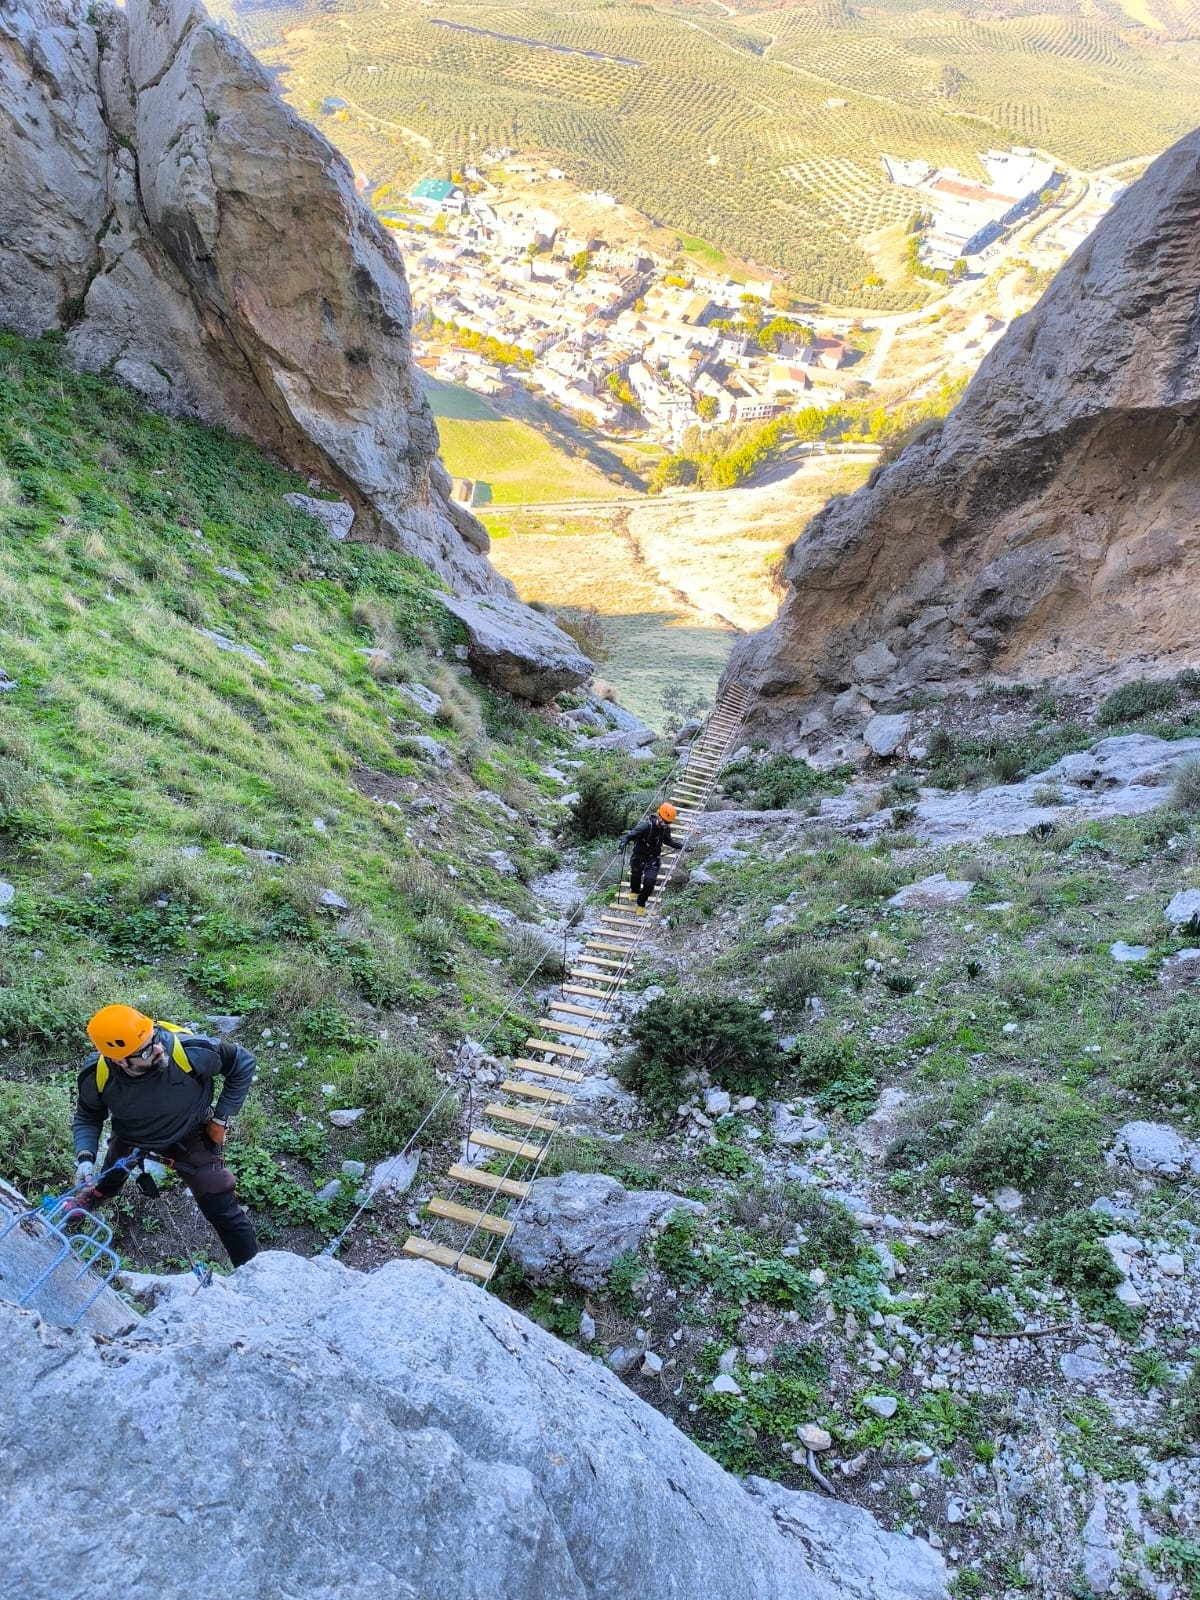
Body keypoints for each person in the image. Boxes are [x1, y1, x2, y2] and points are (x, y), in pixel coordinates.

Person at [71, 1004, 260, 1268]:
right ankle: (100, 1193)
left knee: (222, 1206)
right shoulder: (97, 1077)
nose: (159, 1049)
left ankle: (253, 1271)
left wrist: (221, 1118)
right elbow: (88, 1116)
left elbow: (242, 1062)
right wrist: (85, 1157)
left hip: (191, 1131)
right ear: (119, 1060)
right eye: (146, 1050)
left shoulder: (191, 1052)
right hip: (132, 1135)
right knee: (112, 1170)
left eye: (155, 1038)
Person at [619, 803, 681, 914]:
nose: (667, 824)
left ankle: (641, 903)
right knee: (636, 875)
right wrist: (622, 846)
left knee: (649, 883)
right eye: (666, 822)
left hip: (653, 858)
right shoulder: (645, 827)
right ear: (659, 816)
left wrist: (682, 846)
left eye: (669, 823)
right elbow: (629, 836)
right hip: (638, 855)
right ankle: (634, 890)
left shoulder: (665, 829)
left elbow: (668, 841)